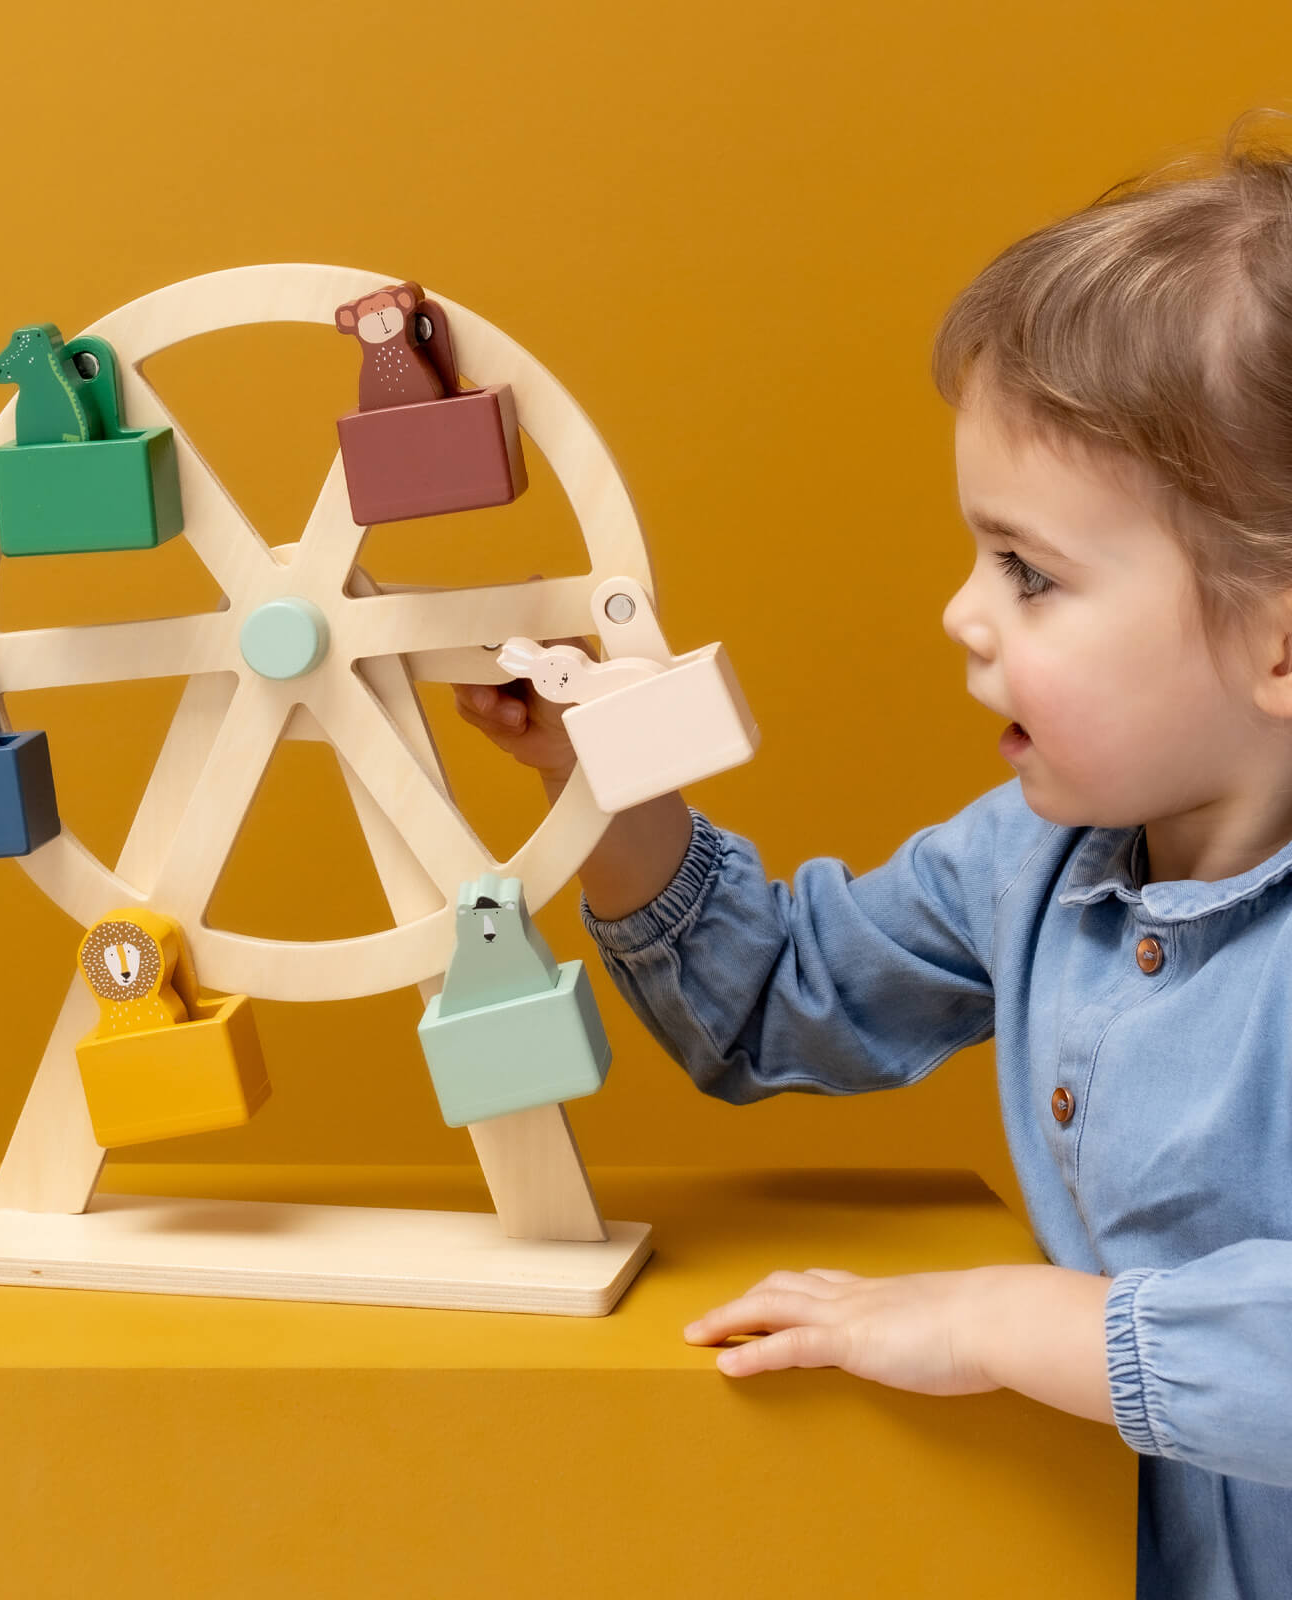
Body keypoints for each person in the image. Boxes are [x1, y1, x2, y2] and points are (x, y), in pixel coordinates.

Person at [453, 114, 1292, 1599]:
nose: (963, 614)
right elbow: (779, 1003)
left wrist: (1000, 1324)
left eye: (1030, 572)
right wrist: (613, 786)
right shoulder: (1035, 859)